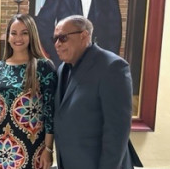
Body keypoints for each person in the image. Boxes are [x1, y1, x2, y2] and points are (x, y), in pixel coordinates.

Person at [53, 15, 133, 169]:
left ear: (84, 36)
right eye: (55, 38)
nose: (57, 44)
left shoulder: (112, 67)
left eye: (63, 38)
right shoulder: (62, 68)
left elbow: (117, 130)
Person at [0, 14, 57, 169]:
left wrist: (48, 149)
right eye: (13, 33)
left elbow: (50, 112)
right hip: (3, 146)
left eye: (24, 33)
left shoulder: (43, 66)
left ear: (32, 35)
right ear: (8, 37)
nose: (18, 38)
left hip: (33, 146)